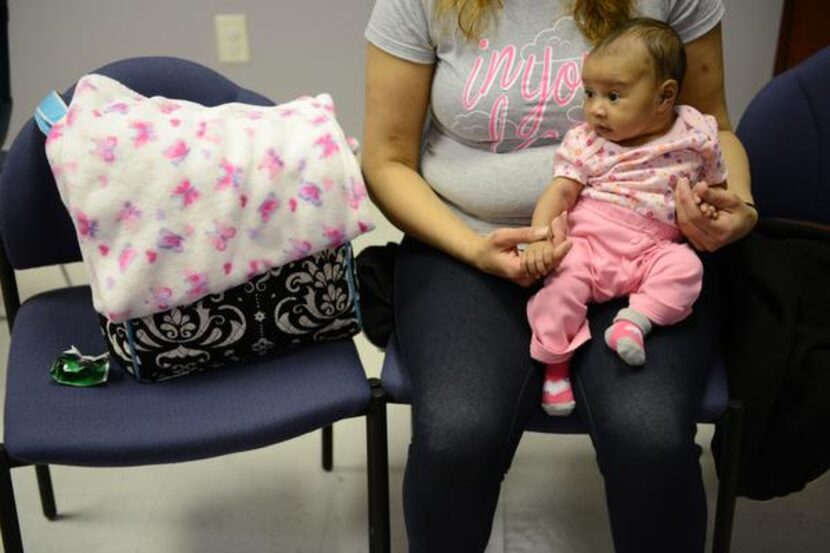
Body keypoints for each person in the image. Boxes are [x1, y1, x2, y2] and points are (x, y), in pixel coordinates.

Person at [361, 1, 758, 551]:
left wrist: (739, 208)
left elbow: (713, 125)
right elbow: (387, 158)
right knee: (458, 435)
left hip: (649, 244)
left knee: (647, 437)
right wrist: (474, 250)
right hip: (469, 239)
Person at [525, 18, 728, 416]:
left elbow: (715, 187)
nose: (595, 109)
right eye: (590, 93)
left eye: (614, 96)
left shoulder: (696, 134)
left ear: (664, 97)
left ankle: (636, 320)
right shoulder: (587, 141)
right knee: (559, 290)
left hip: (655, 248)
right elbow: (561, 191)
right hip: (590, 243)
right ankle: (555, 366)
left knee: (686, 269)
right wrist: (540, 238)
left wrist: (708, 206)